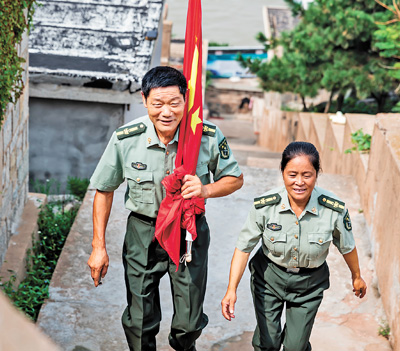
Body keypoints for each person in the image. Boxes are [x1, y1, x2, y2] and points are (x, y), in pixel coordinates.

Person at [87, 66, 243, 351]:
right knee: (139, 319)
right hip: (143, 231)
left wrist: (205, 189)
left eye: (174, 103)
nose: (166, 112)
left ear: (186, 100)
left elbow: (235, 179)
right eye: (157, 104)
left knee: (189, 323)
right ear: (145, 100)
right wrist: (99, 246)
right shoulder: (127, 138)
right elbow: (104, 189)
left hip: (189, 232)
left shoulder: (205, 136)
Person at [221, 141, 367, 351]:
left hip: (309, 284)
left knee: (295, 347)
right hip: (269, 279)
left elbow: (347, 246)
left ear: (317, 174)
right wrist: (231, 290)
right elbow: (243, 248)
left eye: (307, 175)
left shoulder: (333, 209)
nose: (299, 182)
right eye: (292, 174)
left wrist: (357, 276)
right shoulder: (265, 206)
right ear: (282, 172)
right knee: (267, 343)